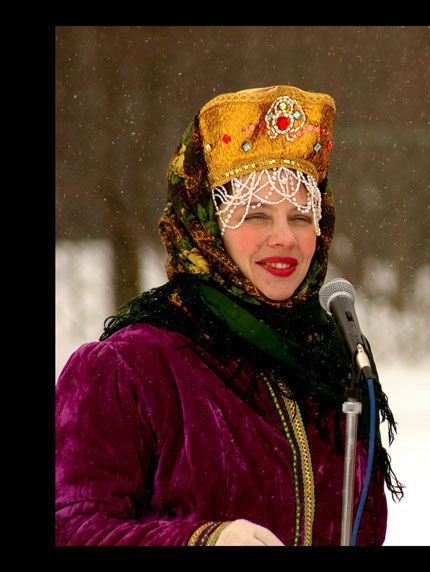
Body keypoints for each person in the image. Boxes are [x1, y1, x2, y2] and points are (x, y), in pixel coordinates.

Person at [55, 85, 402, 546]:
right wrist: (202, 541)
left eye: (300, 217)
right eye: (256, 215)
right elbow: (71, 528)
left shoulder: (331, 364)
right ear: (205, 225)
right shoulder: (128, 367)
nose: (284, 238)